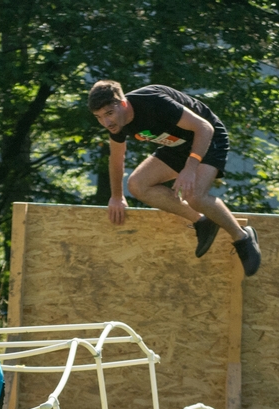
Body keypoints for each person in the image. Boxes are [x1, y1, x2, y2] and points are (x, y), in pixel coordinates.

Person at [87, 80, 262, 277]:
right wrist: (117, 197)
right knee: (137, 185)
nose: (106, 122)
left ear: (123, 104)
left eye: (109, 113)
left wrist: (190, 168)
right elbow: (116, 158)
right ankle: (203, 221)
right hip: (176, 146)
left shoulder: (153, 101)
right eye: (99, 117)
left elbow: (204, 127)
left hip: (207, 139)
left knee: (194, 195)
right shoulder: (116, 124)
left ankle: (242, 237)